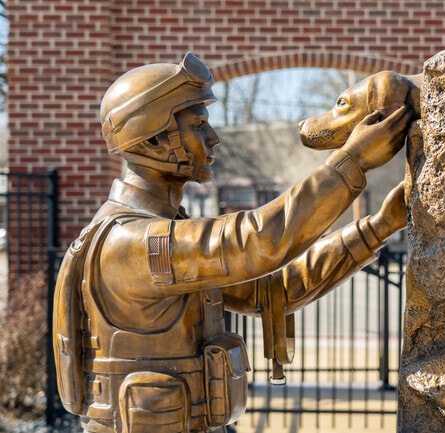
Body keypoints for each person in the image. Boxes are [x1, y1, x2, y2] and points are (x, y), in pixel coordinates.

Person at [53, 52, 412, 433]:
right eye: (198, 125)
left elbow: (277, 288)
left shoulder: (166, 231)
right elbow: (256, 241)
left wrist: (378, 226)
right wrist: (352, 161)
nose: (213, 137)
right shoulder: (132, 242)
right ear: (155, 139)